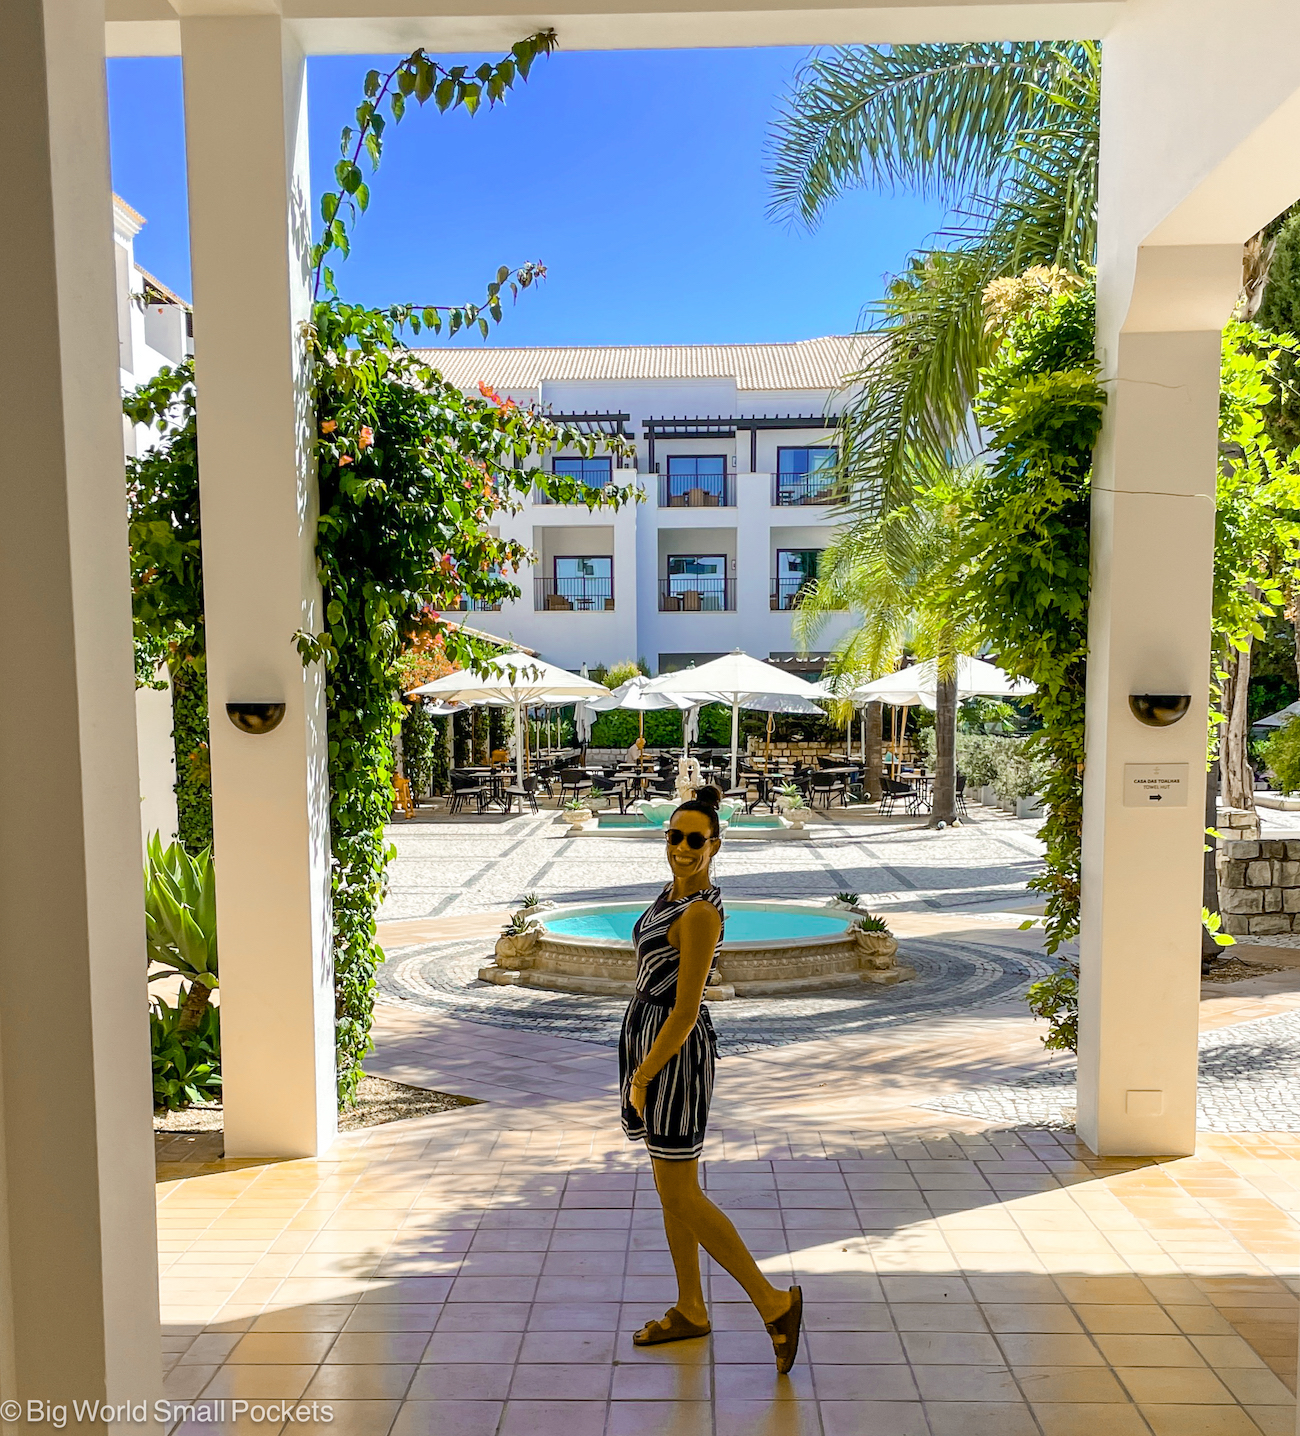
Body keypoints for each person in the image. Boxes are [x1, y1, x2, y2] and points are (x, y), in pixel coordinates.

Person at [619, 784, 802, 1371]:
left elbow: (686, 1009)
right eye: (674, 836)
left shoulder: (699, 913)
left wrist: (643, 1077)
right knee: (670, 1187)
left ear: (715, 846)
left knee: (680, 1192)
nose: (682, 847)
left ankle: (773, 1303)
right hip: (652, 1045)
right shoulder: (672, 895)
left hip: (674, 1057)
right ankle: (691, 1307)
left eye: (694, 840)